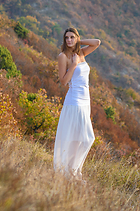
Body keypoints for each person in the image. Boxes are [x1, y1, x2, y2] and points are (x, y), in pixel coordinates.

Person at [53, 27, 100, 181]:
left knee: (79, 138)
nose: (69, 40)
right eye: (67, 37)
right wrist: (73, 65)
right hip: (74, 101)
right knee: (87, 138)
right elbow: (63, 81)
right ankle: (72, 171)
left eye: (72, 37)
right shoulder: (63, 56)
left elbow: (97, 42)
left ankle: (74, 172)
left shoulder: (81, 53)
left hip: (86, 101)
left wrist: (80, 42)